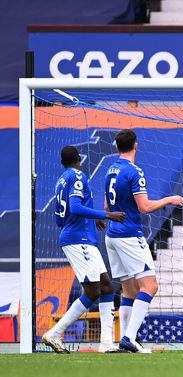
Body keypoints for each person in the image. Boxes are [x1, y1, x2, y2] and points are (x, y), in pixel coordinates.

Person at [104, 129, 183, 353]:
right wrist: (170, 199)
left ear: (116, 146)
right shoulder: (134, 171)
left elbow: (106, 207)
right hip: (129, 235)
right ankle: (129, 337)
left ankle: (124, 339)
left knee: (129, 291)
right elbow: (145, 207)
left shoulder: (110, 169)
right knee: (150, 286)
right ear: (136, 145)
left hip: (112, 235)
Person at [42, 146, 126, 354]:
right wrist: (106, 215)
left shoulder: (61, 180)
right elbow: (76, 207)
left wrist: (93, 217)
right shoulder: (78, 175)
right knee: (92, 290)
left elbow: (61, 217)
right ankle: (54, 333)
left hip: (80, 237)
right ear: (79, 159)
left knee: (107, 286)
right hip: (79, 239)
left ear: (62, 162)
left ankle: (107, 343)